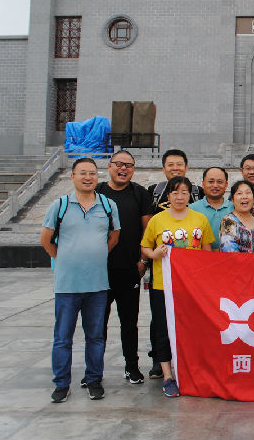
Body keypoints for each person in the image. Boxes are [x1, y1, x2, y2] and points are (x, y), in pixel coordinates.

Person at [40, 158, 120, 403]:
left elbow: (113, 237)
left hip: (97, 284)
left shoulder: (108, 205)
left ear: (98, 177)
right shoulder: (60, 206)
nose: (88, 177)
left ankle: (94, 379)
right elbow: (47, 240)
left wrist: (92, 256)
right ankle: (61, 383)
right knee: (63, 337)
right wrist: (66, 259)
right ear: (72, 176)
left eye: (93, 174)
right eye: (83, 173)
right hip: (67, 286)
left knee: (95, 336)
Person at [141, 176, 213, 398]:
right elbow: (145, 248)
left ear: (190, 196)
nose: (179, 196)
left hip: (191, 287)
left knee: (192, 329)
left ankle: (192, 371)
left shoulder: (200, 219)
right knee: (163, 329)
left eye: (184, 192)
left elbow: (207, 252)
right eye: (175, 192)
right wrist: (155, 254)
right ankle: (167, 376)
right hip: (163, 285)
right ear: (168, 196)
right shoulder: (158, 220)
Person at [97, 150, 154, 386]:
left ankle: (131, 366)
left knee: (129, 322)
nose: (123, 169)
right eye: (119, 164)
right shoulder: (97, 191)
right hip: (98, 271)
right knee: (97, 322)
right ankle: (94, 370)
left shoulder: (139, 193)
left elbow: (148, 232)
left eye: (129, 165)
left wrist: (142, 262)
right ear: (109, 166)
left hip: (129, 269)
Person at [190, 167, 232, 249]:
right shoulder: (192, 209)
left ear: (226, 185)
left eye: (219, 182)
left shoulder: (234, 208)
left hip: (229, 257)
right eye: (210, 182)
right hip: (202, 257)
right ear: (203, 184)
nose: (215, 185)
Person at [219, 180, 254, 253]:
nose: (244, 197)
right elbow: (229, 249)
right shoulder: (228, 221)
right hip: (237, 263)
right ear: (232, 200)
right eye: (239, 193)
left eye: (248, 193)